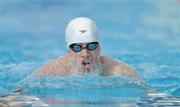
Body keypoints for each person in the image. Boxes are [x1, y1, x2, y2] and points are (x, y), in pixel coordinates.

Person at [32, 17, 140, 79]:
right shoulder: (52, 72)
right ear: (68, 51)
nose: (85, 53)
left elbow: (149, 96)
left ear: (99, 48)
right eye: (77, 47)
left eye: (91, 46)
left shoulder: (119, 71)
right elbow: (20, 96)